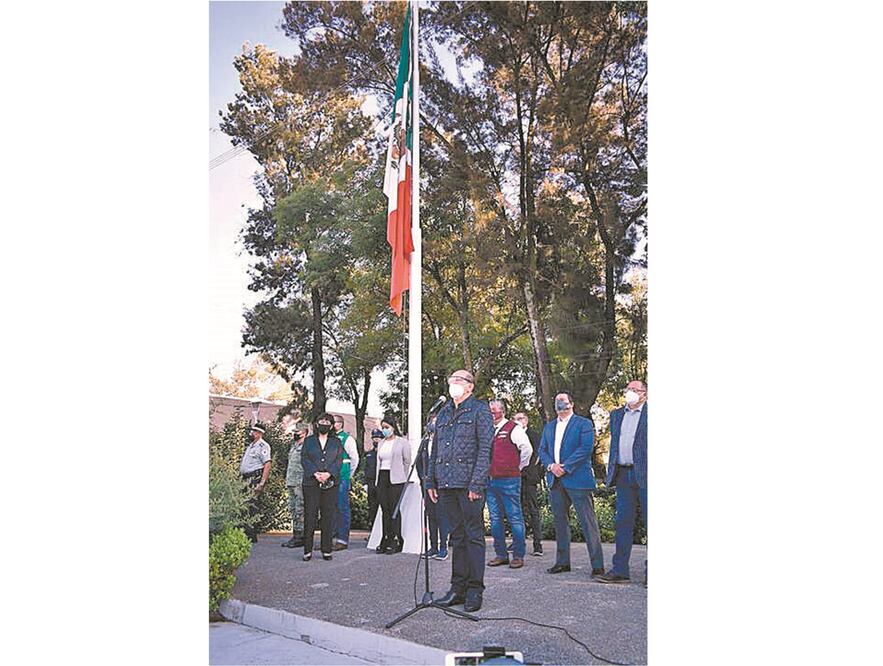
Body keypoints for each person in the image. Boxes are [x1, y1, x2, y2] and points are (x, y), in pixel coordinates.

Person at [426, 369, 494, 613]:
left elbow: (485, 449)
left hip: (469, 485)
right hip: (446, 484)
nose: (452, 383)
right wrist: (430, 481)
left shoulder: (480, 410)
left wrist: (477, 483)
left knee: (473, 536)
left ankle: (475, 589)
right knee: (456, 537)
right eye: (451, 380)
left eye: (458, 380)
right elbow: (435, 450)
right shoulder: (444, 413)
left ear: (470, 386)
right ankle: (458, 588)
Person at [538, 392, 605, 577]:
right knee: (560, 523)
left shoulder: (583, 424)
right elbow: (542, 450)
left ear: (571, 404)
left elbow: (585, 449)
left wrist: (565, 467)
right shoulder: (549, 427)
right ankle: (562, 562)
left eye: (563, 400)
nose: (559, 403)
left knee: (588, 523)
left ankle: (598, 566)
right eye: (557, 401)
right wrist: (551, 466)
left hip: (578, 479)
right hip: (555, 480)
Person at [596, 380, 648, 585]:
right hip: (623, 474)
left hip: (646, 474)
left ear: (644, 394)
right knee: (623, 523)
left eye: (635, 390)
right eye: (628, 389)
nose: (630, 392)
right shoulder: (617, 415)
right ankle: (620, 570)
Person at [485, 400, 533, 570]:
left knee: (515, 518)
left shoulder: (514, 428)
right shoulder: (487, 429)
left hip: (510, 480)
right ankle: (501, 554)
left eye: (494, 410)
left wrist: (517, 467)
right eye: (489, 410)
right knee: (495, 519)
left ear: (502, 411)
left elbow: (527, 449)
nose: (492, 413)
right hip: (490, 480)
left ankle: (518, 556)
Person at [300, 413, 344, 561]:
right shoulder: (309, 441)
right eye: (321, 421)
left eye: (327, 422)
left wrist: (328, 474)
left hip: (330, 484)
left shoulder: (336, 442)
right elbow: (304, 458)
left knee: (328, 516)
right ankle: (307, 550)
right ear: (317, 423)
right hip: (311, 483)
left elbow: (339, 461)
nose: (324, 423)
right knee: (310, 515)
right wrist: (315, 473)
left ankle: (326, 550)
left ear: (331, 426)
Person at [374, 415, 412, 555]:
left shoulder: (402, 442)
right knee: (384, 509)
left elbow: (407, 461)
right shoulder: (381, 443)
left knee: (394, 509)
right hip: (382, 476)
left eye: (387, 427)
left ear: (393, 428)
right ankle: (385, 537)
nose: (385, 430)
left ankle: (396, 538)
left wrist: (402, 476)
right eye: (383, 428)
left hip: (396, 478)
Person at [417, 421, 450, 561]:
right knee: (431, 516)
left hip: (442, 484)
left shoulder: (445, 442)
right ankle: (433, 546)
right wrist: (424, 479)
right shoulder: (425, 443)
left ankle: (443, 547)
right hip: (427, 484)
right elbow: (419, 463)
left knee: (442, 516)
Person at [513, 411, 544, 556]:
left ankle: (538, 544)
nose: (519, 420)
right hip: (515, 477)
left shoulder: (535, 435)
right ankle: (518, 542)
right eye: (516, 418)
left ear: (527, 420)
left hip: (529, 477)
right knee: (516, 511)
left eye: (521, 418)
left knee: (533, 511)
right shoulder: (512, 435)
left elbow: (537, 456)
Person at [331, 415, 360, 551]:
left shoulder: (347, 439)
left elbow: (354, 459)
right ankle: (329, 539)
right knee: (330, 508)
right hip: (330, 477)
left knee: (342, 508)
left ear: (340, 424)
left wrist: (348, 475)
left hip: (342, 476)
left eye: (334, 422)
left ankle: (342, 539)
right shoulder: (329, 438)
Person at [239, 423, 272, 543]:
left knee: (252, 506)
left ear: (259, 433)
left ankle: (251, 536)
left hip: (254, 478)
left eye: (253, 431)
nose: (251, 433)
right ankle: (245, 533)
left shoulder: (263, 446)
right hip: (245, 479)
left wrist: (262, 483)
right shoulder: (251, 446)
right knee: (244, 506)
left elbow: (267, 464)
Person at [281, 415, 307, 548]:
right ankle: (295, 535)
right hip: (291, 481)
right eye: (294, 432)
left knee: (300, 509)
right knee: (292, 508)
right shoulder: (293, 445)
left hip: (300, 482)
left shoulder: (307, 446)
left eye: (298, 432)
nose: (295, 434)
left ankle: (301, 537)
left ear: (305, 432)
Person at [363, 428, 383, 535]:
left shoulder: (383, 453)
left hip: (381, 483)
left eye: (378, 438)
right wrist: (365, 483)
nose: (376, 440)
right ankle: (372, 531)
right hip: (371, 483)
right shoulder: (369, 454)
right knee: (372, 507)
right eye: (374, 438)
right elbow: (366, 469)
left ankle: (381, 532)